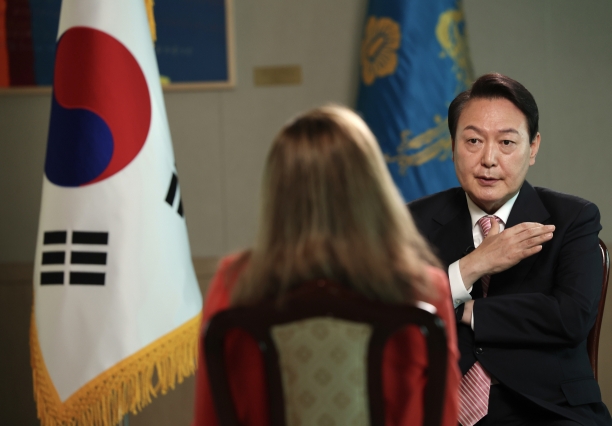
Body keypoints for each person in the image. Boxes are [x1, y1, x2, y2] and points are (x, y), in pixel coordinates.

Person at [192, 105, 460, 426]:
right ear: (371, 187)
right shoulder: (425, 287)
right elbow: (445, 416)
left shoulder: (232, 282)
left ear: (277, 192)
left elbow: (209, 418)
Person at [409, 73, 611, 426]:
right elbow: (399, 313)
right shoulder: (415, 221)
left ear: (532, 148)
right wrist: (472, 266)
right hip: (440, 409)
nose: (488, 159)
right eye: (473, 140)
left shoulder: (572, 218)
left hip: (547, 410)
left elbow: (571, 316)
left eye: (506, 143)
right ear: (452, 145)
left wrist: (467, 309)